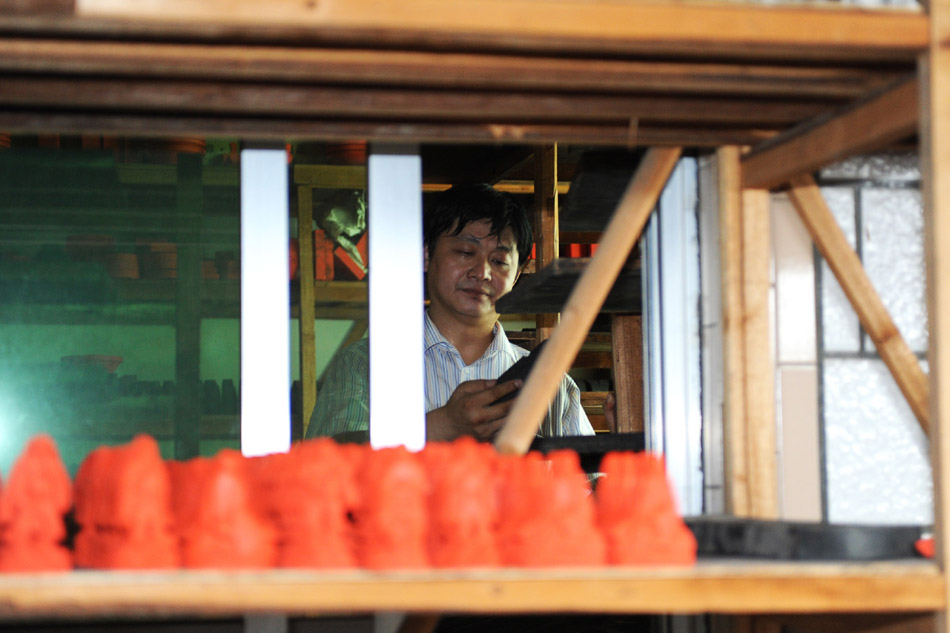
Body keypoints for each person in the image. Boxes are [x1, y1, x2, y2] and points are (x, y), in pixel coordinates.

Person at [306, 183, 594, 442]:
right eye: (465, 252)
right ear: (426, 255)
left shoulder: (551, 385)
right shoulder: (365, 365)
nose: (482, 272)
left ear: (517, 275)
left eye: (499, 260)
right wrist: (441, 426)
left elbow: (595, 491)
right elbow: (322, 470)